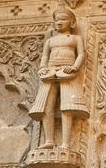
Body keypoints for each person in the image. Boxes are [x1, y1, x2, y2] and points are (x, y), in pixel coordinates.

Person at [29, 9, 89, 149]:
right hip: (50, 71)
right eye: (57, 20)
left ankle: (65, 143)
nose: (59, 22)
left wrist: (74, 67)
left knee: (67, 106)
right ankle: (49, 140)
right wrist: (43, 67)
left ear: (72, 22)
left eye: (63, 19)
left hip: (67, 71)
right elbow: (45, 56)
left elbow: (81, 54)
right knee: (47, 106)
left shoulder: (75, 39)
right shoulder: (51, 40)